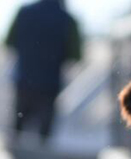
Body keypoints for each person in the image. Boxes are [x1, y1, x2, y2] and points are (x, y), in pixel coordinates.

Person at [5, 0, 82, 143]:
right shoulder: (68, 20)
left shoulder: (23, 12)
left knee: (16, 133)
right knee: (43, 140)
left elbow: (8, 42)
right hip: (49, 87)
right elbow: (76, 55)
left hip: (23, 82)